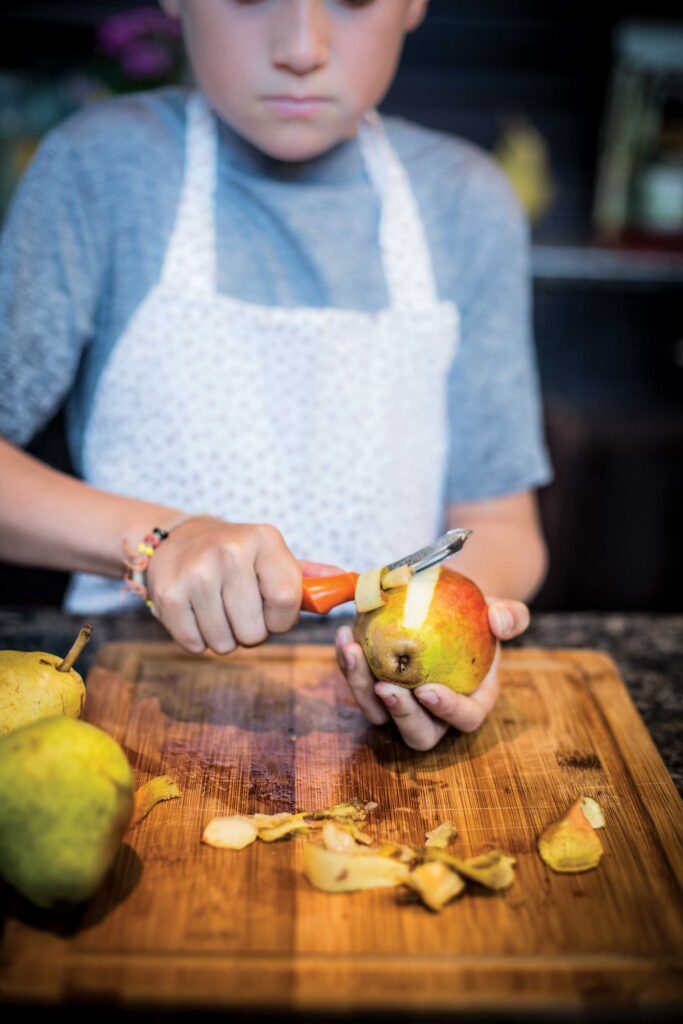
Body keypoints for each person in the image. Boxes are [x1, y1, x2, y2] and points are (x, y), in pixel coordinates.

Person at [0, 0, 551, 751]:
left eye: (352, 1)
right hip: (127, 702)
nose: (301, 47)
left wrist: (462, 632)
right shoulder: (102, 169)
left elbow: (500, 524)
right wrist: (160, 541)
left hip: (368, 725)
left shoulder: (466, 202)